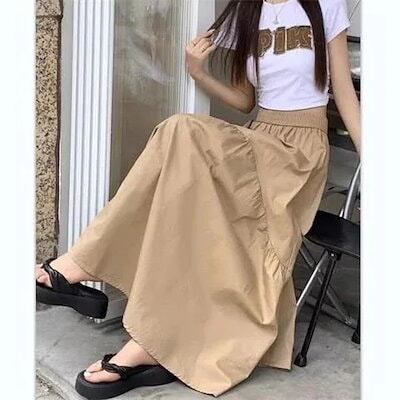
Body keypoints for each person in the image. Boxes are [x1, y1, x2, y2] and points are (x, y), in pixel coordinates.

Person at [36, 0, 361, 399]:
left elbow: (346, 97)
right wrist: (197, 71)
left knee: (182, 131)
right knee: (184, 191)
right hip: (259, 138)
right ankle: (148, 339)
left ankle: (81, 267)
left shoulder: (324, 6)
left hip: (297, 157)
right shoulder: (246, 13)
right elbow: (246, 101)